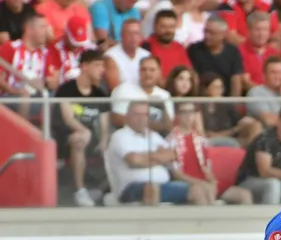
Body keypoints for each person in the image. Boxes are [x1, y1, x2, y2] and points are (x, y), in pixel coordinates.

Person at [105, 100, 207, 204]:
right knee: (152, 188)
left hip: (163, 185)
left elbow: (172, 154)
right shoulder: (120, 136)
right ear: (127, 116)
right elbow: (134, 160)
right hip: (131, 188)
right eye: (137, 114)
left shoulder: (153, 136)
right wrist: (159, 157)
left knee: (197, 189)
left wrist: (145, 157)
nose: (141, 118)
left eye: (144, 115)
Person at [54, 48, 109, 207]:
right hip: (65, 137)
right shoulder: (66, 89)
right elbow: (68, 119)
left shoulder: (99, 93)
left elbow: (104, 123)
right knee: (80, 138)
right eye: (97, 65)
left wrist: (104, 140)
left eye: (103, 66)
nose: (102, 70)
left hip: (91, 138)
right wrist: (84, 131)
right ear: (84, 66)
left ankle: (107, 190)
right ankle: (80, 190)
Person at [236, 105, 281, 204]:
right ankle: (271, 214)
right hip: (250, 180)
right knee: (273, 184)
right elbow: (265, 172)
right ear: (280, 122)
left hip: (280, 180)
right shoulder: (265, 139)